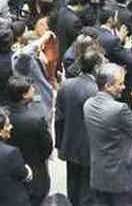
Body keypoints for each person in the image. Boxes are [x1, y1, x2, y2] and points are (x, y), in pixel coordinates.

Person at [84, 63, 132, 206]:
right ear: (107, 86)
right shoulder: (119, 109)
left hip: (99, 175)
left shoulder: (88, 105)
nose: (124, 87)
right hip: (122, 179)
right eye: (120, 84)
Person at [56, 49, 102, 205]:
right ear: (96, 68)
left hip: (70, 143)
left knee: (73, 184)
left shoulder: (65, 85)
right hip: (91, 146)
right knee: (88, 189)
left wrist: (60, 143)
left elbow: (59, 118)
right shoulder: (97, 91)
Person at [6, 76, 53, 206]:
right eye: (31, 88)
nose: (33, 89)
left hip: (11, 171)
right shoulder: (36, 119)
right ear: (24, 95)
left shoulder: (3, 116)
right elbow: (47, 146)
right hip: (36, 169)